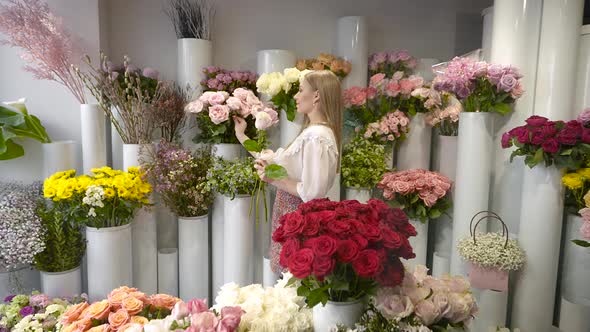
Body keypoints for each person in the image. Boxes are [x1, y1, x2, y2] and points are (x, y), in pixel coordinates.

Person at [233, 70, 342, 272]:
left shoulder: (316, 136)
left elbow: (312, 193)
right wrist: (242, 135)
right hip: (290, 212)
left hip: (297, 215)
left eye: (301, 91)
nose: (296, 96)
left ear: (316, 95)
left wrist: (273, 179)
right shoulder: (314, 133)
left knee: (292, 280)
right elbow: (271, 159)